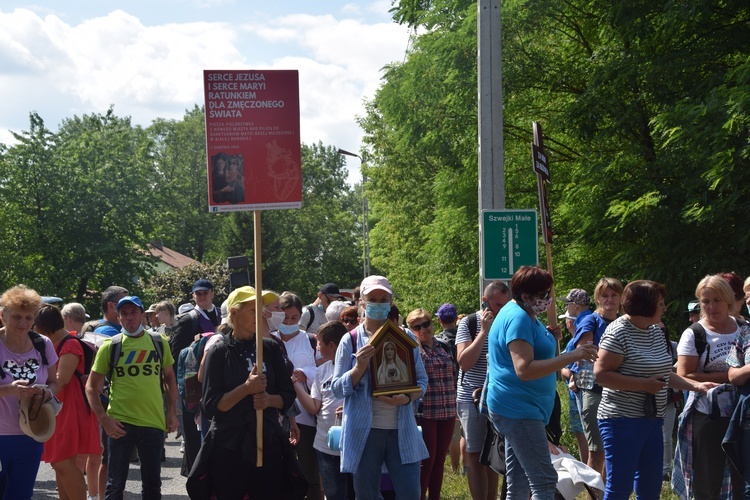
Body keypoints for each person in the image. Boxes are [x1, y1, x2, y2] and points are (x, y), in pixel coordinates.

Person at [595, 280, 716, 499]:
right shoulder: (618, 333)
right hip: (621, 421)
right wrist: (643, 385)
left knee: (651, 485)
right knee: (620, 487)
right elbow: (601, 375)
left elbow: (663, 372)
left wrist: (695, 386)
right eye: (660, 303)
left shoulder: (655, 330)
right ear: (645, 306)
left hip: (652, 419)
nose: (664, 308)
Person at [485, 266, 597, 499]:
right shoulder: (518, 319)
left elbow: (529, 348)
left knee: (518, 483)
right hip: (518, 409)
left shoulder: (523, 314)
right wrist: (573, 355)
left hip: (521, 408)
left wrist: (548, 337)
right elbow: (524, 370)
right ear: (526, 296)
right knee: (545, 481)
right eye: (544, 294)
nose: (550, 299)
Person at [186, 286, 296, 498]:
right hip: (230, 448)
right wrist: (246, 389)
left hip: (267, 443)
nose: (261, 314)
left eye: (261, 309)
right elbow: (210, 406)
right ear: (234, 313)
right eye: (253, 309)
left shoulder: (270, 348)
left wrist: (269, 400)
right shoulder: (219, 351)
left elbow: (288, 395)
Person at [331, 275, 428, 499]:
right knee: (366, 494)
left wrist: (407, 398)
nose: (378, 303)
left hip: (402, 429)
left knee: (411, 493)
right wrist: (358, 368)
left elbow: (422, 382)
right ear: (361, 302)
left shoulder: (404, 338)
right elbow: (336, 388)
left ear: (391, 302)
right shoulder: (351, 340)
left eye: (384, 298)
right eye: (372, 298)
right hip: (364, 432)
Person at [85, 295, 178, 499]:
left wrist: (172, 412)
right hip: (120, 423)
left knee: (152, 485)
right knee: (115, 485)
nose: (129, 317)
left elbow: (170, 378)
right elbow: (90, 386)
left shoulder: (159, 342)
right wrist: (104, 420)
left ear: (143, 315)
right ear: (118, 318)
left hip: (152, 421)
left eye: (133, 312)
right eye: (124, 314)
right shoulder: (111, 346)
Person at [673, 274, 745, 499]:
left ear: (728, 300)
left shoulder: (744, 328)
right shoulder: (695, 333)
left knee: (742, 478)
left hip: (743, 414)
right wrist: (731, 376)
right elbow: (684, 374)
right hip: (708, 414)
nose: (711, 307)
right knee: (707, 480)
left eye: (717, 300)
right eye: (705, 301)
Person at [35, 304, 101, 500]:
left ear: (43, 327)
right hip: (60, 409)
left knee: (62, 462)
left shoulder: (70, 344)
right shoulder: (57, 343)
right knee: (60, 463)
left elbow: (61, 380)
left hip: (70, 409)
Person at [0, 285, 59, 499]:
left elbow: (54, 383)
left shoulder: (42, 344)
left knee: (21, 495)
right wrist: (9, 390)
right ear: (2, 315)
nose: (23, 323)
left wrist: (46, 394)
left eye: (28, 317)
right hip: (0, 436)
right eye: (16, 317)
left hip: (31, 435)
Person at [456, 280, 510, 500]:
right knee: (476, 453)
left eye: (506, 305)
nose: (502, 310)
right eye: (498, 305)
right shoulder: (469, 323)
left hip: (498, 397)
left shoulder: (508, 322)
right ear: (485, 302)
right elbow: (464, 362)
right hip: (472, 397)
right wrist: (484, 332)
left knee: (493, 454)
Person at [570, 277, 623, 476]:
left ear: (621, 297)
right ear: (598, 299)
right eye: (604, 295)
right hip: (594, 389)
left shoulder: (625, 321)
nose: (609, 299)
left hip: (621, 390)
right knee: (597, 451)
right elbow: (582, 350)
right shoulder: (591, 320)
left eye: (613, 295)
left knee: (615, 451)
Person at [293, 320, 351, 500]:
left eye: (319, 343)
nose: (317, 348)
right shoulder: (321, 371)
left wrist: (350, 408)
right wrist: (295, 384)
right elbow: (314, 407)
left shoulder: (355, 367)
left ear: (332, 345)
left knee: (355, 491)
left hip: (351, 444)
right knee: (333, 493)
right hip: (325, 445)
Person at [171, 278, 220, 477]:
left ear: (213, 293)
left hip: (221, 381)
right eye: (198, 294)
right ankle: (195, 477)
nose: (202, 296)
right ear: (193, 296)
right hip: (195, 384)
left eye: (205, 292)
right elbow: (175, 356)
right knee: (194, 434)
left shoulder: (224, 315)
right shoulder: (188, 319)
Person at [407, 308, 456, 500]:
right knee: (426, 461)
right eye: (416, 326)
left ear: (432, 323)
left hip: (448, 409)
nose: (423, 329)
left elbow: (454, 375)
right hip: (425, 412)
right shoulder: (412, 350)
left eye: (425, 324)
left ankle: (435, 497)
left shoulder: (445, 346)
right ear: (411, 329)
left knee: (440, 460)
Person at [278, 292, 321, 500]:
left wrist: (306, 373)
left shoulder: (310, 341)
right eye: (285, 317)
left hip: (305, 413)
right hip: (277, 413)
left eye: (294, 318)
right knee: (280, 471)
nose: (289, 322)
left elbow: (324, 371)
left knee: (309, 470)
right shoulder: (269, 340)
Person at [433, 303, 462, 473]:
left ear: (439, 320)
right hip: (466, 385)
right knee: (467, 431)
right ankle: (466, 466)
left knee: (453, 430)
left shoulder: (437, 341)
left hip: (447, 388)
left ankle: (454, 467)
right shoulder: (466, 336)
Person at [559, 311, 589, 465]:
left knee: (583, 435)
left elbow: (569, 371)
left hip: (578, 394)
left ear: (569, 322)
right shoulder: (578, 340)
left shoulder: (573, 343)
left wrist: (559, 367)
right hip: (582, 393)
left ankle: (588, 471)